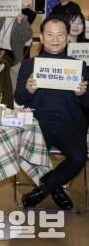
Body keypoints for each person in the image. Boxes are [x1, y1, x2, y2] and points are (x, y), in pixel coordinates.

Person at [16, 16, 89, 210]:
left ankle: (42, 191)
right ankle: (55, 188)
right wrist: (28, 90)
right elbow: (20, 99)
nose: (55, 39)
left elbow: (87, 103)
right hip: (38, 124)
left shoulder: (78, 66)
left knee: (78, 157)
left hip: (70, 124)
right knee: (23, 153)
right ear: (41, 37)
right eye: (50, 34)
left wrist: (82, 94)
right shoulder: (29, 65)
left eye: (60, 35)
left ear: (68, 38)